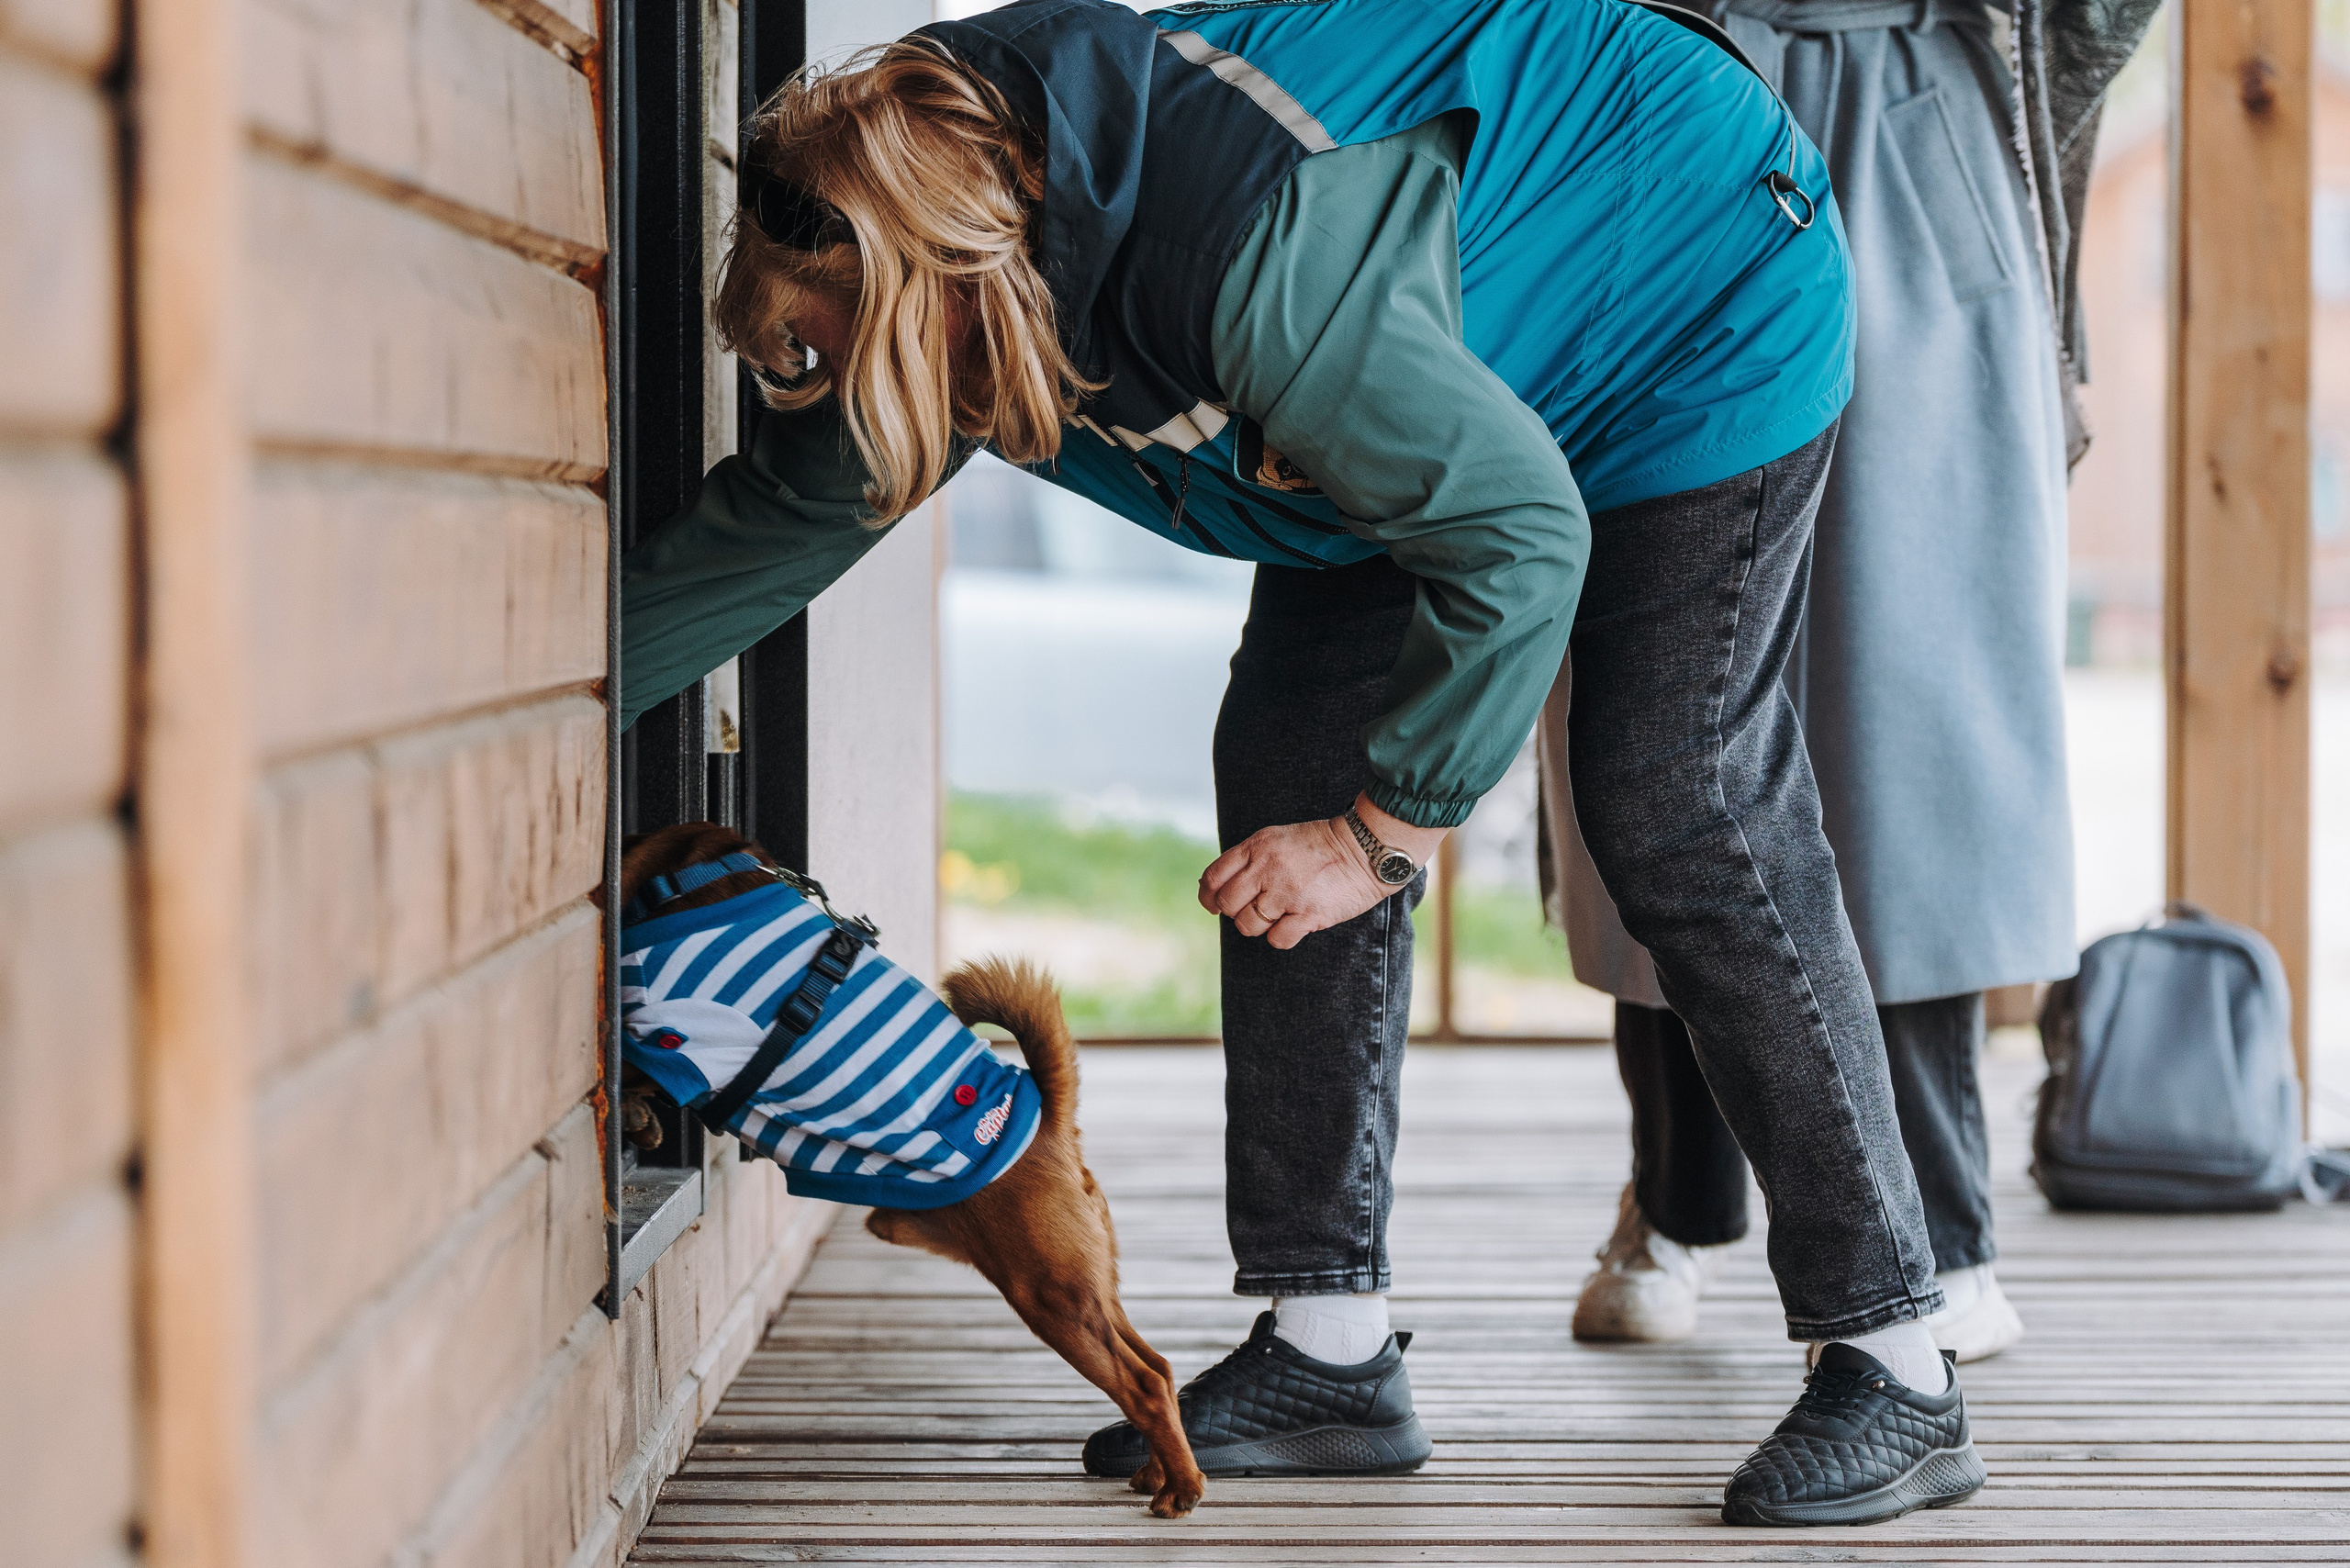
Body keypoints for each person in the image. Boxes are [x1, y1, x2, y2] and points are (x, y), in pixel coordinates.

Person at [622, 0, 1978, 1524]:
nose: (822, 379)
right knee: (1283, 763)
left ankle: (1900, 1358)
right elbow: (752, 546)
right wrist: (566, 710)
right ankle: (1327, 1347)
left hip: (1685, 284)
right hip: (1431, 351)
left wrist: (1386, 837)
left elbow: (1520, 541)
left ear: (942, 278)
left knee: (1675, 794)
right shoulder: (929, 271)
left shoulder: (1252, 262)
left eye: (828, 344)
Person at [1546, 0, 2160, 1364]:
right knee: (1660, 663)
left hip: (1910, 115)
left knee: (1919, 708)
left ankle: (1942, 1229)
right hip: (1667, 101)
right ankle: (1676, 1196)